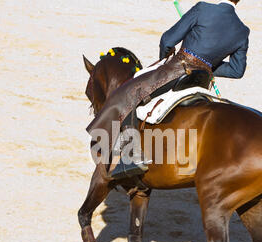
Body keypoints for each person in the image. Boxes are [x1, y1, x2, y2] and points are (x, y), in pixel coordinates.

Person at [86, 0, 250, 180]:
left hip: (177, 69)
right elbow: (236, 70)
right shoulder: (242, 31)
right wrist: (207, 65)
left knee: (129, 92)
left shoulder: (203, 8)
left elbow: (168, 39)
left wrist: (164, 59)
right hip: (203, 80)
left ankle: (131, 157)